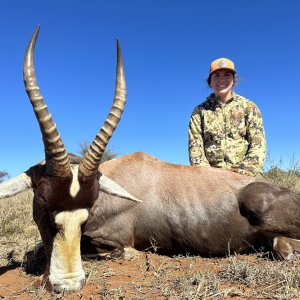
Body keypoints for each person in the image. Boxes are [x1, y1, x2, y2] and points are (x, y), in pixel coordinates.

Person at [188, 57, 266, 177]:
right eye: (216, 75)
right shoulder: (199, 111)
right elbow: (195, 150)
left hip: (246, 176)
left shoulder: (249, 107)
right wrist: (209, 177)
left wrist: (243, 174)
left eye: (227, 74)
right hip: (211, 178)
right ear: (210, 82)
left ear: (234, 80)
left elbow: (258, 145)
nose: (222, 79)